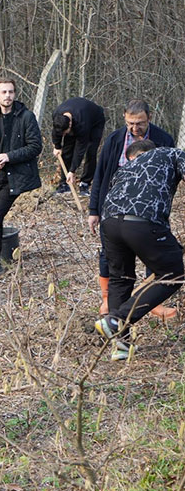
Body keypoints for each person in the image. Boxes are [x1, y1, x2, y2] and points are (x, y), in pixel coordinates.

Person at [95, 140, 185, 361]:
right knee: (174, 274)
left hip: (109, 222)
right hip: (142, 221)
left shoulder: (127, 167)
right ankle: (118, 319)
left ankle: (121, 346)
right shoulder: (176, 154)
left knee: (120, 279)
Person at [87, 99, 177, 318]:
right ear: (124, 119)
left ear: (149, 119)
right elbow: (101, 175)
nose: (135, 128)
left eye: (140, 123)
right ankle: (111, 308)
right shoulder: (115, 140)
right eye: (130, 123)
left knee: (141, 264)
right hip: (122, 211)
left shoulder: (163, 141)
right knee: (115, 261)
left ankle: (141, 311)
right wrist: (93, 210)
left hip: (134, 214)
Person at [0, 78, 42, 282]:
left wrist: (9, 156)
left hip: (16, 178)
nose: (8, 96)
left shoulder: (26, 117)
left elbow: (35, 146)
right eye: (3, 92)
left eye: (11, 92)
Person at [51, 97, 105, 196]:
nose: (63, 135)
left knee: (90, 151)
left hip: (95, 121)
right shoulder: (57, 116)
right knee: (67, 150)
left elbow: (80, 150)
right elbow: (55, 132)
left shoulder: (82, 124)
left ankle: (85, 183)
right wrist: (57, 146)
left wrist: (72, 170)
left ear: (70, 124)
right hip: (77, 115)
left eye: (65, 133)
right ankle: (64, 184)